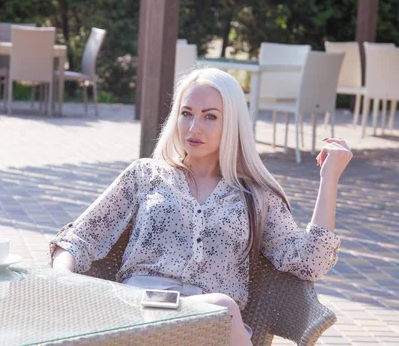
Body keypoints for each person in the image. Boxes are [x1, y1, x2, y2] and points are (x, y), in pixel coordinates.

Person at [50, 67, 352, 346]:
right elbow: (78, 238)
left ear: (231, 123)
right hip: (138, 310)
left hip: (209, 324)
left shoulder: (256, 195)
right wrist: (61, 276)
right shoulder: (144, 175)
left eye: (210, 116)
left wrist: (329, 179)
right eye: (186, 113)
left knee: (223, 307)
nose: (194, 127)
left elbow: (310, 261)